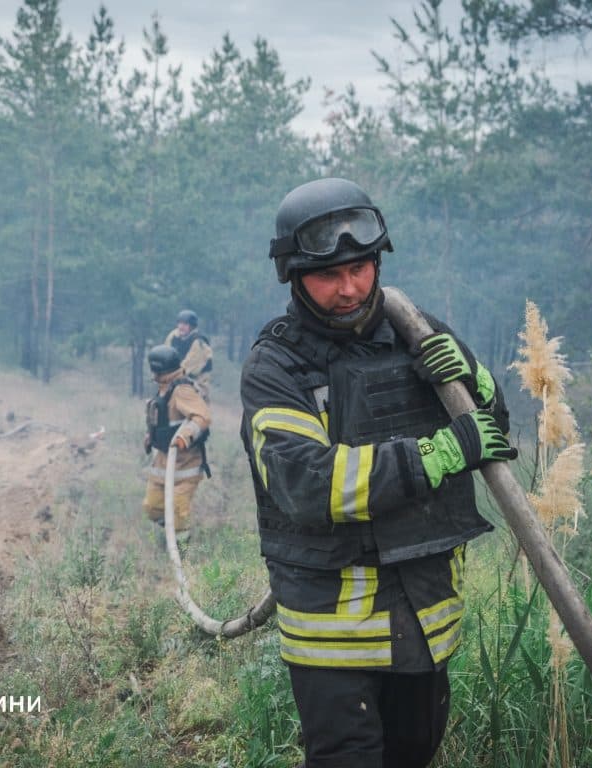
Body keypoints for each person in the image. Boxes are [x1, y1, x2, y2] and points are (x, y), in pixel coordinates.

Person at [239, 178, 517, 768]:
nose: (349, 288)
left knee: (414, 755)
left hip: (425, 616)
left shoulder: (417, 329)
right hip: (333, 632)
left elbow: (490, 427)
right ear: (292, 275)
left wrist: (474, 376)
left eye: (360, 268)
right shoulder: (276, 367)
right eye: (328, 276)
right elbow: (309, 484)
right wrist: (437, 456)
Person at [143, 344, 212, 543]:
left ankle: (181, 550)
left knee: (177, 510)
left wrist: (184, 436)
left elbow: (202, 417)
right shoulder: (164, 387)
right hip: (162, 462)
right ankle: (170, 531)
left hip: (185, 464)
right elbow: (163, 418)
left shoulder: (182, 389)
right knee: (152, 506)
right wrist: (150, 436)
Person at [164, 309, 213, 400]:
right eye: (179, 323)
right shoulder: (173, 336)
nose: (181, 327)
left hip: (196, 383)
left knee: (194, 410)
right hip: (175, 379)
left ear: (192, 326)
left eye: (185, 324)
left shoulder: (199, 342)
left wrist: (170, 376)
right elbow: (165, 354)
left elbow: (187, 367)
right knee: (158, 403)